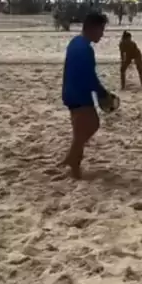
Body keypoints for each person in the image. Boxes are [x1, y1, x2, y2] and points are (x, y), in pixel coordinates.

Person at [61, 11, 114, 179]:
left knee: (82, 131)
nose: (102, 34)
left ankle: (74, 165)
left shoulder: (76, 42)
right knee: (90, 126)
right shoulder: (85, 49)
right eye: (101, 29)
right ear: (92, 28)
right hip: (79, 95)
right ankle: (72, 159)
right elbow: (89, 76)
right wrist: (102, 93)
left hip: (70, 92)